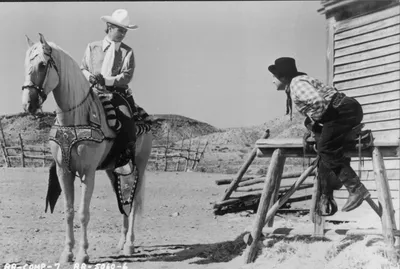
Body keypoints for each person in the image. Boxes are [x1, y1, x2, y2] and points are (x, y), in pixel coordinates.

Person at [268, 57, 370, 215]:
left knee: (326, 148)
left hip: (343, 111)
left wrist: (316, 121)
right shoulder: (299, 81)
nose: (272, 81)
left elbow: (318, 103)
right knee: (324, 141)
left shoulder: (296, 84)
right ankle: (327, 193)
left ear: (283, 77)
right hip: (347, 109)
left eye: (274, 77)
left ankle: (356, 189)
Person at [80, 8, 141, 174]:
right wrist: (91, 77)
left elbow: (127, 76)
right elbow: (83, 68)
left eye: (125, 31)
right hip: (91, 92)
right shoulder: (92, 47)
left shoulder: (127, 52)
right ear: (109, 26)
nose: (122, 33)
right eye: (119, 29)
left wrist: (107, 80)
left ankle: (123, 158)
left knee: (128, 123)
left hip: (115, 94)